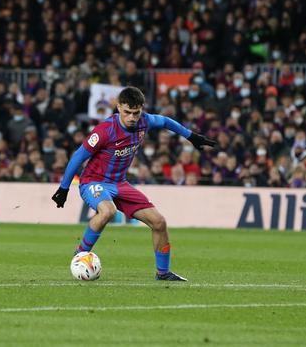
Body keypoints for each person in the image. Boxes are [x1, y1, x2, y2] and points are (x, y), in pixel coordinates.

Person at [51, 87, 217, 281]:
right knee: (108, 211)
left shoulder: (144, 121)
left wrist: (191, 136)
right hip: (94, 182)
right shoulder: (105, 131)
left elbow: (165, 121)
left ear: (141, 110)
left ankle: (163, 273)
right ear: (118, 107)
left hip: (120, 184)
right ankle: (79, 256)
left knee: (159, 222)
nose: (131, 117)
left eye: (136, 113)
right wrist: (63, 188)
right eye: (127, 112)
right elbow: (78, 157)